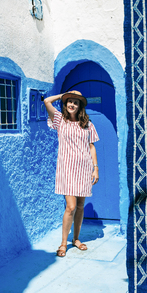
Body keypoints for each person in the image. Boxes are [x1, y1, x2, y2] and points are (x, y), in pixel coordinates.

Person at [44, 90, 100, 257]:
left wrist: (95, 168)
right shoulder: (60, 120)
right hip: (67, 168)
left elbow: (91, 146)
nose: (72, 105)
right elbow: (47, 101)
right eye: (69, 101)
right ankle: (63, 243)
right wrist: (63, 94)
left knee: (81, 206)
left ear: (80, 105)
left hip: (84, 168)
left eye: (76, 102)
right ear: (65, 102)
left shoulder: (88, 123)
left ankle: (76, 239)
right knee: (71, 207)